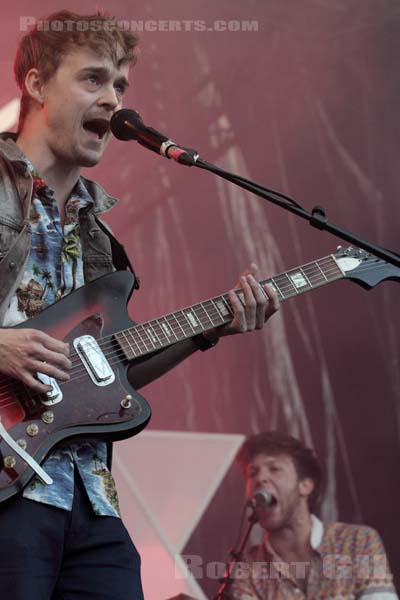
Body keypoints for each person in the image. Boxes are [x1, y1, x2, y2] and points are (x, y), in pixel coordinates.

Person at [0, 10, 279, 600]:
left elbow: (109, 369)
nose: (113, 99)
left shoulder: (103, 242)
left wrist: (210, 330)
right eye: (93, 80)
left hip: (91, 500)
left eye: (121, 85)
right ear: (35, 84)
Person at [230, 431, 398, 599]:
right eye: (253, 473)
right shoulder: (246, 568)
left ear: (305, 486)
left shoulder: (357, 541)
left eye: (274, 469)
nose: (260, 478)